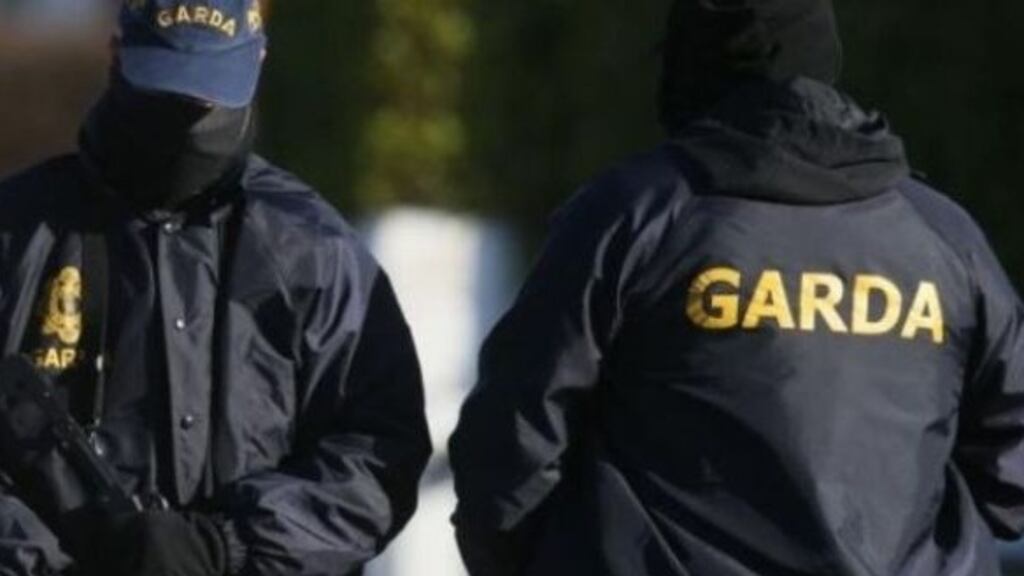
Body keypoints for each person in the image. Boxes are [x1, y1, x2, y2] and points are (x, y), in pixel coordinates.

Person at [448, 0, 1024, 575]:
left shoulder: (633, 216)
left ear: (692, 65)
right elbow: (1010, 470)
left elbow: (514, 443)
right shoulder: (945, 238)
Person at [0, 1, 431, 575]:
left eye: (205, 101)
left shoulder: (314, 251)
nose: (184, 123)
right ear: (116, 55)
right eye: (163, 94)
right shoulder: (18, 234)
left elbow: (378, 454)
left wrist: (225, 546)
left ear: (258, 65)